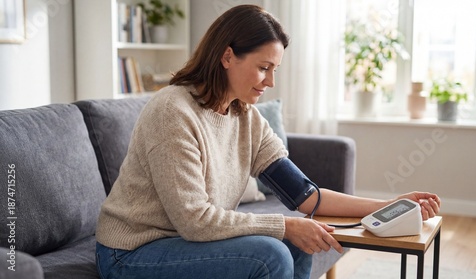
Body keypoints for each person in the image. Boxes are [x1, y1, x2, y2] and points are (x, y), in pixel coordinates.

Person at [95, 4, 441, 279]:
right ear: (227, 56)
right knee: (272, 251)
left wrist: (386, 205)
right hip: (132, 253)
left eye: (274, 69)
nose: (270, 82)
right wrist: (285, 226)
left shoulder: (246, 117)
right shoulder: (173, 112)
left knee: (301, 244)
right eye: (264, 68)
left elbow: (306, 196)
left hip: (182, 241)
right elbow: (195, 220)